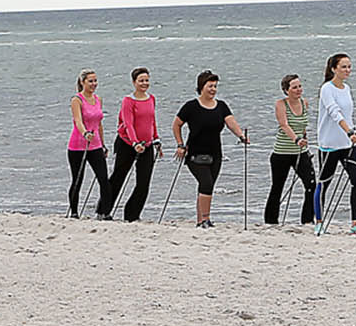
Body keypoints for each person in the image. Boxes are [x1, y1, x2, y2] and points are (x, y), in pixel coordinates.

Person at [173, 70, 249, 227]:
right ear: (201, 87)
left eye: (215, 86)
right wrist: (180, 144)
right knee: (206, 183)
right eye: (210, 86)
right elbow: (176, 124)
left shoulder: (221, 106)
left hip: (215, 154)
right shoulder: (191, 106)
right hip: (194, 153)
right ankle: (206, 219)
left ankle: (200, 221)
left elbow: (231, 122)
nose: (213, 89)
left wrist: (241, 136)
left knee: (206, 187)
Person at [98, 68, 159, 221]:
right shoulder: (128, 101)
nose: (144, 83)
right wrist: (134, 142)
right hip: (126, 143)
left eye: (146, 80)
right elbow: (128, 124)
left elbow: (152, 121)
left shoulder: (151, 98)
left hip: (147, 145)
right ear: (134, 82)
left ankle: (132, 214)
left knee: (144, 182)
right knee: (118, 177)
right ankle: (103, 211)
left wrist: (156, 138)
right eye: (141, 80)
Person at [315, 52, 356, 234]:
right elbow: (334, 112)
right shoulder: (326, 89)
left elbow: (348, 116)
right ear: (333, 69)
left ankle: (355, 223)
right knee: (324, 182)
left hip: (347, 144)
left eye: (349, 66)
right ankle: (319, 222)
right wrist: (348, 131)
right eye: (343, 67)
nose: (347, 70)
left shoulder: (347, 88)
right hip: (329, 144)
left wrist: (355, 138)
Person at [264, 74, 319, 225]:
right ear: (286, 90)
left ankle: (307, 220)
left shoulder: (304, 103)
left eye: (300, 86)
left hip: (300, 152)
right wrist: (296, 139)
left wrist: (304, 138)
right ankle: (271, 221)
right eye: (294, 87)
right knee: (277, 187)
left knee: (311, 184)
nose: (298, 90)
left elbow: (303, 125)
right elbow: (284, 125)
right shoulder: (281, 104)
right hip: (281, 153)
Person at [65, 70, 109, 218]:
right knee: (78, 179)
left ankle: (104, 212)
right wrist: (85, 133)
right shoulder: (77, 100)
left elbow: (99, 124)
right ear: (82, 82)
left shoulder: (98, 99)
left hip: (95, 145)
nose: (94, 84)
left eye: (95, 81)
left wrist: (103, 144)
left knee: (103, 179)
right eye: (90, 81)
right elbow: (78, 121)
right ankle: (74, 212)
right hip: (78, 146)